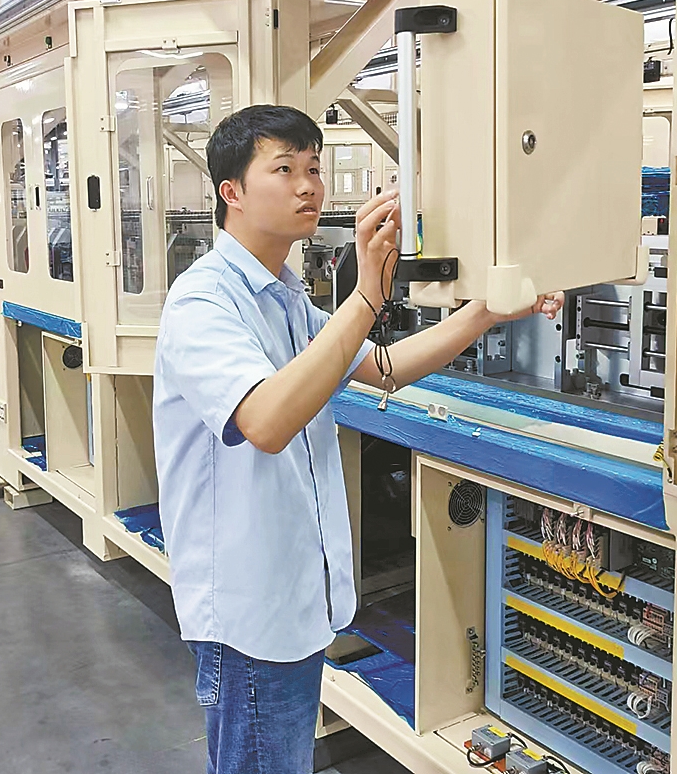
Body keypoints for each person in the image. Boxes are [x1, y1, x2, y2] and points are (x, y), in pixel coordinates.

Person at [153, 105, 562, 774]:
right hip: (249, 614)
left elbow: (386, 366)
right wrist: (366, 296)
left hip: (295, 600)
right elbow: (265, 422)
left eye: (313, 168)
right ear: (232, 192)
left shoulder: (285, 299)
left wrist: (485, 309)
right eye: (284, 169)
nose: (307, 186)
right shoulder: (203, 301)